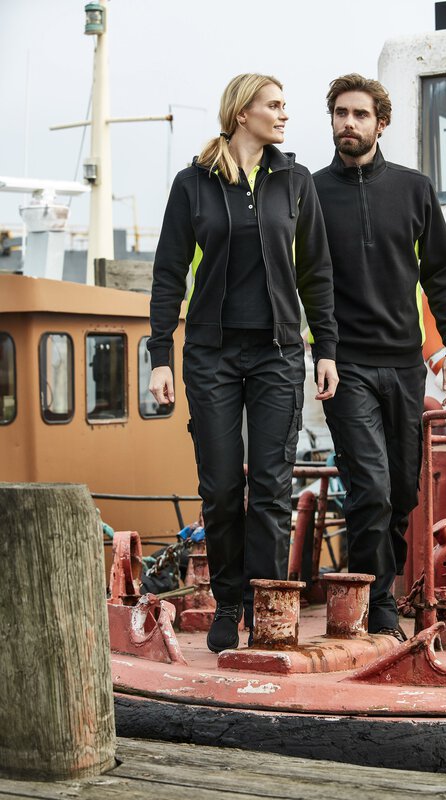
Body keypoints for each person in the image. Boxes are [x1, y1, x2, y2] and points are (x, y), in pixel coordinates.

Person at [148, 73, 339, 653]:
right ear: (241, 113)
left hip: (278, 352)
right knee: (222, 486)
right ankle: (228, 603)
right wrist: (160, 356)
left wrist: (325, 350)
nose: (284, 114)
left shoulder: (295, 182)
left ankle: (264, 605)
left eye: (284, 106)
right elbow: (168, 272)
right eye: (273, 105)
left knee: (273, 487)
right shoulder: (193, 184)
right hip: (211, 354)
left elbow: (316, 273)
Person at [313, 73, 446, 640]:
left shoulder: (413, 188)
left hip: (404, 363)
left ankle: (382, 591)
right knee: (370, 488)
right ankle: (377, 606)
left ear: (381, 123)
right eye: (340, 113)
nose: (348, 123)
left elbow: (441, 273)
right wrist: (321, 349)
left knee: (401, 492)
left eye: (359, 114)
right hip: (344, 364)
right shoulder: (310, 192)